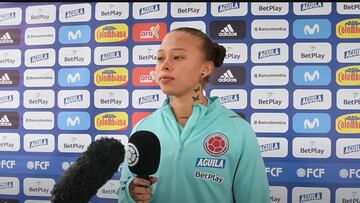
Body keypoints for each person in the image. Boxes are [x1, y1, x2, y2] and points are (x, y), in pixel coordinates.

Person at [118, 27, 270, 203]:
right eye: (160, 58)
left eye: (178, 57)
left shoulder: (238, 130)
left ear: (205, 68)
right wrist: (130, 191)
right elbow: (124, 192)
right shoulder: (143, 128)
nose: (164, 65)